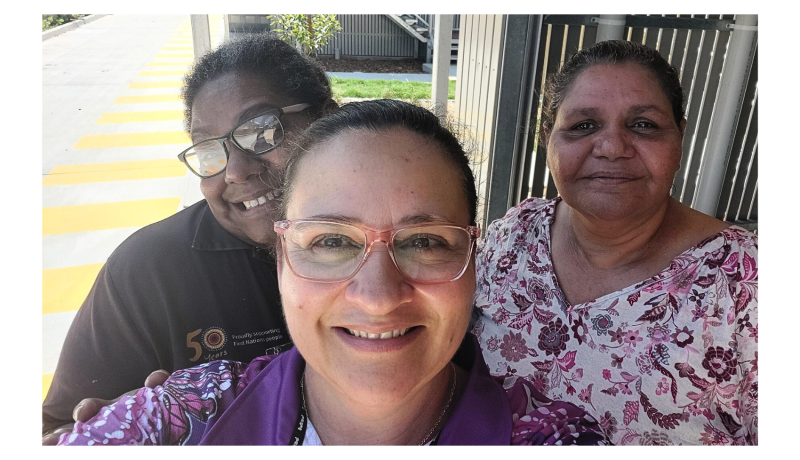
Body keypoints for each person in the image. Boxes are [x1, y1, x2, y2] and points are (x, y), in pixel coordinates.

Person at [58, 100, 610, 446]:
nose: (378, 296)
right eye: (330, 241)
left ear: (473, 260)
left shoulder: (555, 438)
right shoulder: (182, 419)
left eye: (424, 241)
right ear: (281, 259)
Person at [42, 33, 337, 442]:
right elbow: (55, 429)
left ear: (326, 122)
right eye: (210, 150)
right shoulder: (147, 272)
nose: (235, 171)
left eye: (262, 131)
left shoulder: (396, 238)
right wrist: (126, 428)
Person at [472, 40, 758, 445]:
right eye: (583, 125)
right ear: (548, 138)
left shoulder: (748, 285)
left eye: (643, 125)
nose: (612, 148)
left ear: (679, 138)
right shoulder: (514, 236)